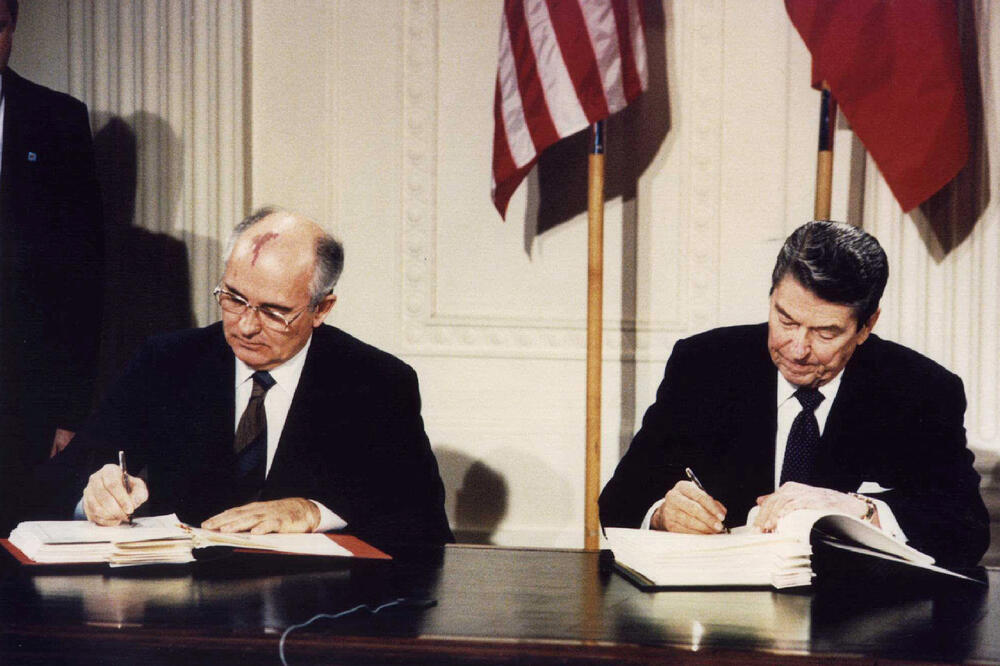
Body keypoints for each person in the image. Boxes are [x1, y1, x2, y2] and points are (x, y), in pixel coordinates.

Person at [37, 207, 453, 550]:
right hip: (181, 612)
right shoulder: (165, 361)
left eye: (273, 311)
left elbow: (423, 525)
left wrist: (314, 512)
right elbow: (60, 481)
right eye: (233, 299)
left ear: (321, 309)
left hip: (314, 615)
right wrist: (92, 496)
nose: (246, 326)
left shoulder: (377, 383)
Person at [599, 221, 990, 568]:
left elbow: (966, 532)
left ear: (867, 326)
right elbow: (618, 502)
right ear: (771, 296)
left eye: (825, 333)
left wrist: (858, 509)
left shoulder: (920, 389)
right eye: (785, 319)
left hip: (855, 621)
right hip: (725, 620)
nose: (797, 348)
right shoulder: (705, 364)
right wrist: (663, 514)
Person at [0, 0, 104, 532]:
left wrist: (71, 415)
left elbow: (83, 280)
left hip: (26, 402)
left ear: (12, 27)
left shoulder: (57, 119)